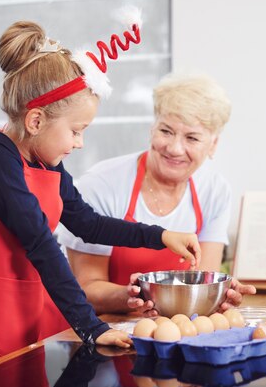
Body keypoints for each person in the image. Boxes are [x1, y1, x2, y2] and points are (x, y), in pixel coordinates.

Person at [0, 10, 202, 381]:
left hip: (31, 323)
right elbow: (40, 242)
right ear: (36, 121)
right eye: (76, 131)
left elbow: (86, 223)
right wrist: (91, 327)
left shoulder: (47, 162)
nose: (80, 142)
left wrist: (160, 236)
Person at [57, 73, 255, 317]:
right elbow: (85, 289)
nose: (174, 148)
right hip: (105, 331)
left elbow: (203, 280)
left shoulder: (214, 191)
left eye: (192, 137)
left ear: (213, 145)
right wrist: (134, 295)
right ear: (152, 129)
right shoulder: (102, 185)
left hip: (178, 331)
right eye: (166, 131)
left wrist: (218, 293)